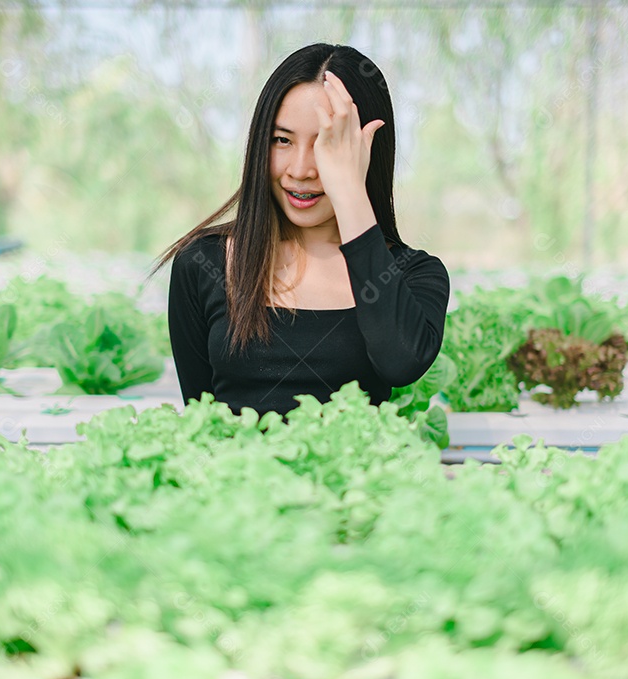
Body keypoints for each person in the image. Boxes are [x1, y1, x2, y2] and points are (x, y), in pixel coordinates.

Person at [149, 43, 450, 419]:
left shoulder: (413, 273)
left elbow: (401, 364)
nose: (301, 169)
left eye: (327, 143)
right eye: (282, 140)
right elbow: (200, 416)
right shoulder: (202, 262)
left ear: (367, 150)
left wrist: (350, 193)